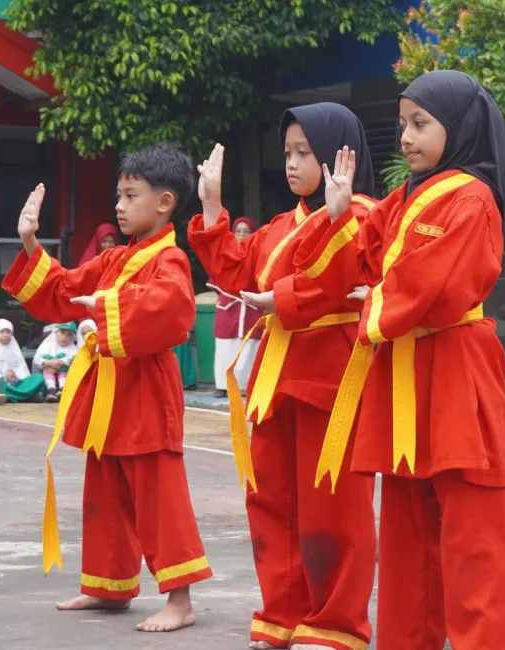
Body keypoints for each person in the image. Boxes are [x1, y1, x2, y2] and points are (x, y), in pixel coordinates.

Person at [269, 70, 505, 649]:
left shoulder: (472, 197)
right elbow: (357, 266)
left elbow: (431, 282)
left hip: (454, 365)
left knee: (473, 532)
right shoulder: (404, 196)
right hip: (404, 368)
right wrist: (339, 215)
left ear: (458, 128)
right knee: (407, 534)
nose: (407, 137)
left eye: (421, 123)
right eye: (402, 124)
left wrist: (373, 302)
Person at [188, 103, 378, 650]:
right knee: (271, 501)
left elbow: (348, 280)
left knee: (334, 507)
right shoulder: (279, 226)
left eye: (304, 153)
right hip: (275, 375)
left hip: (333, 376)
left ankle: (336, 624)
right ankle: (282, 615)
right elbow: (236, 272)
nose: (292, 164)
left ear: (339, 155)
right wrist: (212, 205)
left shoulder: (368, 216)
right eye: (288, 153)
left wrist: (337, 221)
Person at [2, 142, 211, 633]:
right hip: (109, 390)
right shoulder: (116, 259)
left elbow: (172, 309)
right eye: (119, 195)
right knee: (106, 489)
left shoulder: (171, 259)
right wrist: (30, 243)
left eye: (130, 195)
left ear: (164, 203)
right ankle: (108, 586)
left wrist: (106, 308)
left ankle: (180, 600)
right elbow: (63, 289)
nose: (119, 205)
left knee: (158, 496)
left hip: (146, 389)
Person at [212, 217, 264, 398]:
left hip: (251, 306)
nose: (242, 235)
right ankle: (222, 385)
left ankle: (245, 385)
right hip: (229, 307)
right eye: (238, 231)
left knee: (250, 346)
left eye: (246, 231)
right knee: (225, 347)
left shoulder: (259, 254)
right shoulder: (225, 254)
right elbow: (218, 276)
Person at [0, 319, 47, 403]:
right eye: (2, 332)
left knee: (39, 377)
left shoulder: (14, 346)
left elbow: (22, 369)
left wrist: (15, 376)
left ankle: (10, 396)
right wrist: (5, 375)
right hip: (1, 384)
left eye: (8, 332)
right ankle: (27, 396)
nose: (6, 335)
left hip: (16, 384)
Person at [32, 322, 79, 402]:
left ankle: (62, 391)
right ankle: (49, 392)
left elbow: (72, 359)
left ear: (72, 337)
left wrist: (59, 363)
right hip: (47, 372)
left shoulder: (74, 349)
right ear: (56, 332)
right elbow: (37, 360)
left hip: (65, 376)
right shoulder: (47, 344)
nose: (64, 337)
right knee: (39, 378)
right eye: (62, 333)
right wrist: (48, 363)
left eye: (68, 335)